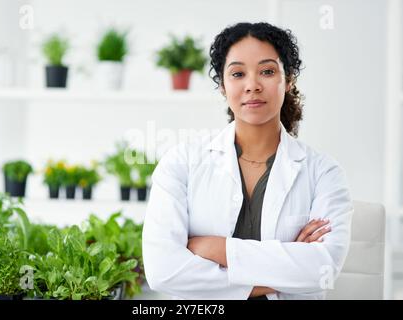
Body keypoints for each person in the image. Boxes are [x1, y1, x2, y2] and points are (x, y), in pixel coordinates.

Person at [142, 22, 353, 300]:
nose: (252, 85)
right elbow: (163, 271)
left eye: (267, 71)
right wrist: (286, 270)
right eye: (238, 73)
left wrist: (214, 249)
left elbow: (323, 268)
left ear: (288, 80)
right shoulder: (181, 163)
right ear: (222, 86)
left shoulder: (323, 172)